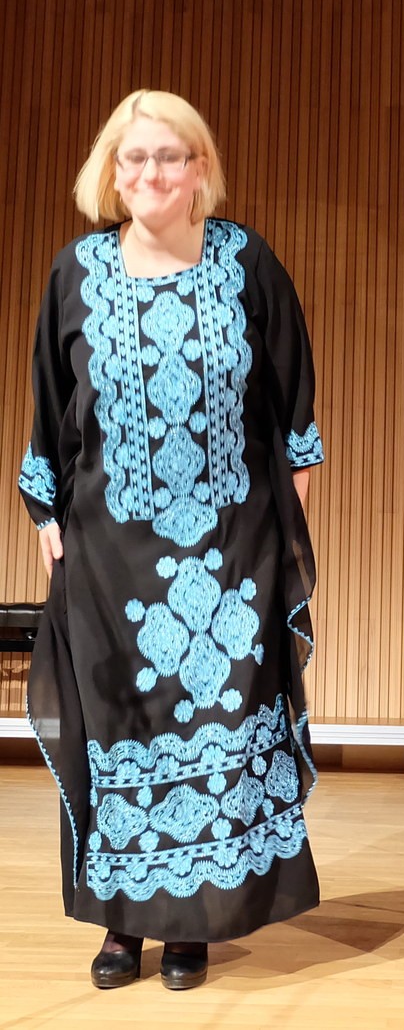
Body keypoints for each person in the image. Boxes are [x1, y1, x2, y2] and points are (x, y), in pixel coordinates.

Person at [19, 90, 325, 990]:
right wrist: (45, 515)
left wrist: (277, 539)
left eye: (169, 156)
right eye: (134, 157)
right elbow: (49, 406)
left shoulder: (247, 262)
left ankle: (195, 922)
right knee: (118, 721)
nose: (150, 172)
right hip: (107, 553)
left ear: (200, 169)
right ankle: (123, 922)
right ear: (111, 172)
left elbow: (294, 412)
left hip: (232, 554)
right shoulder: (75, 273)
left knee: (218, 725)